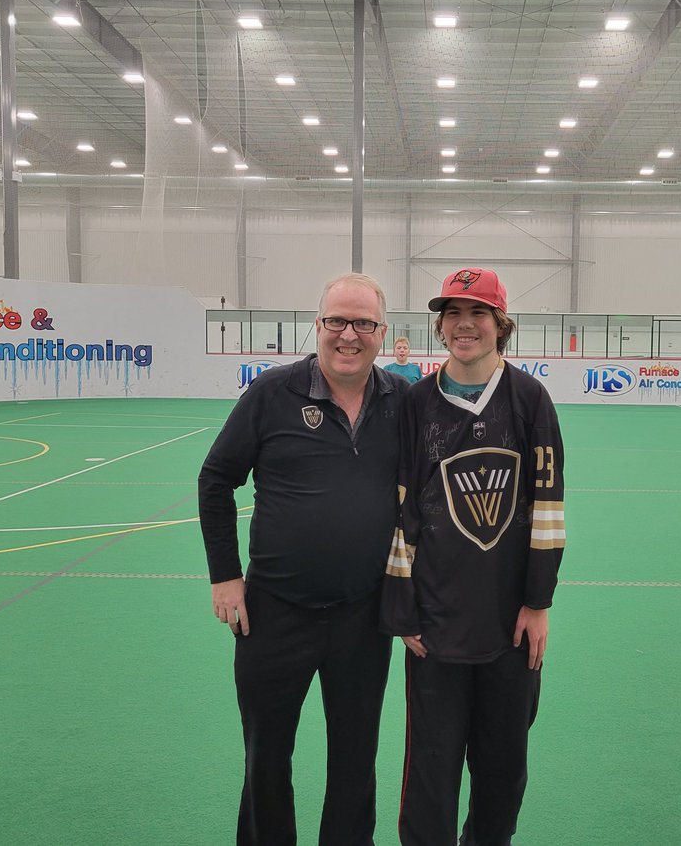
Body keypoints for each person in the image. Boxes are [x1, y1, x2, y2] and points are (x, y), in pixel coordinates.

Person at [199, 272, 407, 846]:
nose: (348, 335)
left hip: (364, 617)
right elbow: (216, 480)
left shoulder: (403, 403)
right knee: (266, 757)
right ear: (317, 326)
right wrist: (225, 577)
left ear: (381, 333)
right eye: (336, 321)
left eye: (362, 323)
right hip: (273, 614)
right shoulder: (272, 394)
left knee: (355, 759)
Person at [381, 267, 566, 846]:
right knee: (430, 773)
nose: (465, 325)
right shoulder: (416, 402)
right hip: (434, 624)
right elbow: (400, 508)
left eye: (477, 314)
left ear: (500, 325)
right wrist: (402, 605)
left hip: (510, 625)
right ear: (440, 326)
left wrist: (538, 603)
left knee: (503, 769)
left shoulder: (530, 399)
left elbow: (548, 508)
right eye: (453, 314)